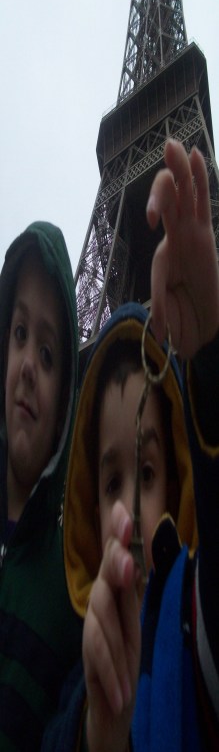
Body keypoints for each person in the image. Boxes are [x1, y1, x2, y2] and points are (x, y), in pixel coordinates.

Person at [45, 138, 219, 751]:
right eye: (109, 482)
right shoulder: (73, 698)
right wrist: (99, 731)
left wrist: (210, 358)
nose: (124, 514)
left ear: (179, 480)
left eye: (146, 473)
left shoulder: (201, 618)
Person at [0, 220, 82, 751]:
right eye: (19, 334)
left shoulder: (69, 592)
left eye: (50, 356)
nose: (29, 365)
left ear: (64, 418)